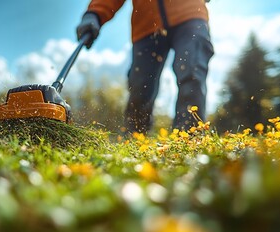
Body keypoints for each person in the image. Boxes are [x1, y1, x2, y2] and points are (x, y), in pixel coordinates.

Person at [76, 0, 214, 133]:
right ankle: (134, 137)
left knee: (192, 71)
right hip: (146, 24)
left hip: (190, 14)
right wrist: (94, 13)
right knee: (140, 87)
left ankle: (189, 137)